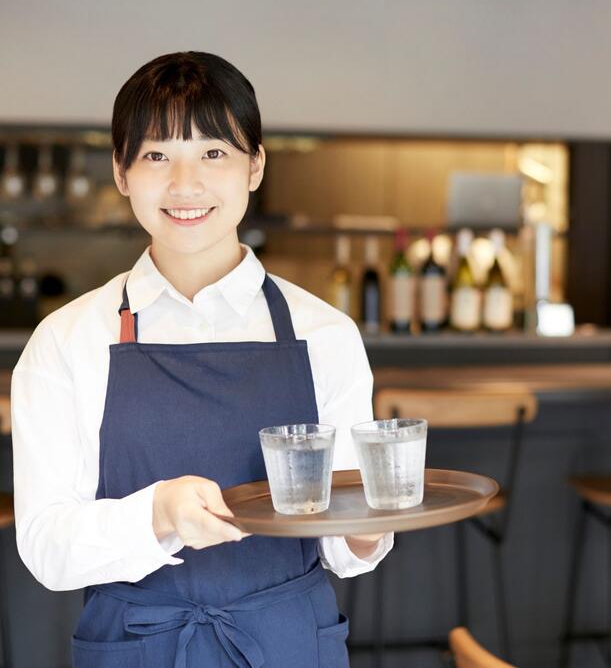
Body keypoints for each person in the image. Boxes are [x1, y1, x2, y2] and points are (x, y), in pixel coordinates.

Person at [11, 51, 393, 668]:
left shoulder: (326, 333)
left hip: (289, 644)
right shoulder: (66, 339)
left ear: (256, 166)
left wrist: (375, 522)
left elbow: (348, 546)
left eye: (213, 153)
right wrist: (156, 516)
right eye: (157, 155)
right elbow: (46, 549)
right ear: (121, 172)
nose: (184, 185)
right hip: (138, 646)